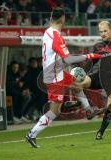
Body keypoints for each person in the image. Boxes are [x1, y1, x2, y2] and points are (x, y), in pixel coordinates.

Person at [25, 8, 103, 148]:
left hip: (56, 72)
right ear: (63, 19)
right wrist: (89, 56)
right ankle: (32, 134)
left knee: (77, 82)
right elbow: (67, 58)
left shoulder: (48, 32)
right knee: (55, 111)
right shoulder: (56, 36)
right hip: (54, 76)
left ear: (51, 17)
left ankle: (89, 110)